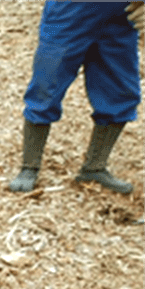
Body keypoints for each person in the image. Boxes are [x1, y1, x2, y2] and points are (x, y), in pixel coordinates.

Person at [9, 1, 140, 194]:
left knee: (119, 91)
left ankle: (94, 168)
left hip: (120, 18)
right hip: (70, 13)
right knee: (46, 86)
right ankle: (30, 166)